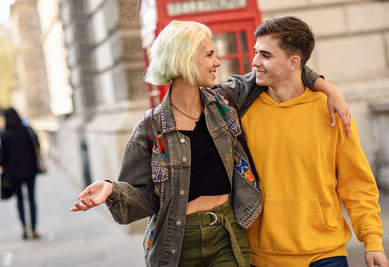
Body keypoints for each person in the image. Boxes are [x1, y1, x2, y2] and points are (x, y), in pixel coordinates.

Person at [70, 20, 349, 267]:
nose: (217, 61)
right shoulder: (150, 128)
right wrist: (111, 189)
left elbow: (283, 66)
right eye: (209, 54)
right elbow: (145, 198)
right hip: (177, 243)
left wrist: (327, 88)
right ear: (185, 60)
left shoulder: (224, 102)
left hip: (227, 234)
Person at [228, 16, 388, 267]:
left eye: (266, 55)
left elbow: (356, 184)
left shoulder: (332, 110)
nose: (255, 62)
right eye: (255, 52)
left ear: (294, 63)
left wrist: (372, 241)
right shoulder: (242, 112)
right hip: (264, 258)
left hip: (326, 254)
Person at [0, 108, 41, 240]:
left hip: (13, 173)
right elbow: (37, 146)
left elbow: (1, 158)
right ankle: (33, 229)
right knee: (32, 199)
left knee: (20, 200)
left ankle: (23, 226)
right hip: (30, 170)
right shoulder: (26, 130)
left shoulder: (5, 135)